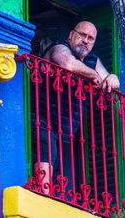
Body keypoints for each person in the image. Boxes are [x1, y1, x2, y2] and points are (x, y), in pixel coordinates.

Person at [32, 21, 120, 194]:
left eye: (90, 38)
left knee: (62, 176)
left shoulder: (92, 60)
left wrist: (112, 78)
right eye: (82, 35)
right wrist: (94, 74)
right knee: (45, 169)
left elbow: (111, 80)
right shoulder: (59, 47)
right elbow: (68, 64)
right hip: (42, 121)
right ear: (71, 35)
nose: (85, 41)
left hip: (66, 131)